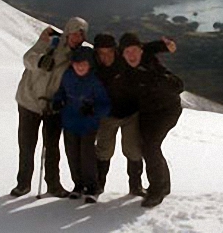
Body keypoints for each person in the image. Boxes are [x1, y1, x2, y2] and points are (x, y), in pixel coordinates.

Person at [10, 17, 89, 198]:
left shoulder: (77, 56)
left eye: (81, 35)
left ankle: (53, 184)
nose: (77, 38)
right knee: (27, 145)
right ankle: (23, 184)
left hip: (53, 106)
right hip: (29, 101)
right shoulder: (50, 42)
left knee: (52, 147)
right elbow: (28, 58)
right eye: (75, 33)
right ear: (68, 31)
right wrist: (41, 61)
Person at [93, 33, 177, 197]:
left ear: (116, 51)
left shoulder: (124, 58)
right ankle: (99, 184)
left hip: (131, 113)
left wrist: (164, 46)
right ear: (96, 53)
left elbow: (141, 47)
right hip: (107, 115)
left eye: (109, 51)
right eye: (101, 53)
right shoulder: (94, 64)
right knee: (104, 150)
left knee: (134, 150)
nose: (106, 56)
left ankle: (136, 186)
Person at [118, 32, 184, 208]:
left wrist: (163, 81)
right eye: (127, 52)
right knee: (146, 145)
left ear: (141, 51)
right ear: (122, 54)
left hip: (167, 111)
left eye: (134, 50)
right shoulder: (126, 64)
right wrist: (163, 46)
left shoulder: (152, 68)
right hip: (147, 112)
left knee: (150, 146)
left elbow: (179, 86)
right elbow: (148, 46)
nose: (131, 55)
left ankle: (156, 191)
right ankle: (164, 185)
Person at [52, 46, 110, 203]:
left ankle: (92, 187)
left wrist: (93, 109)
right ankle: (78, 185)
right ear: (72, 64)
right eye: (77, 63)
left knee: (87, 155)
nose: (80, 66)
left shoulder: (94, 81)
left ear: (90, 64)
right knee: (72, 154)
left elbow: (105, 104)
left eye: (83, 63)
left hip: (88, 125)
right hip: (70, 121)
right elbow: (60, 93)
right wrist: (57, 102)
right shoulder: (67, 76)